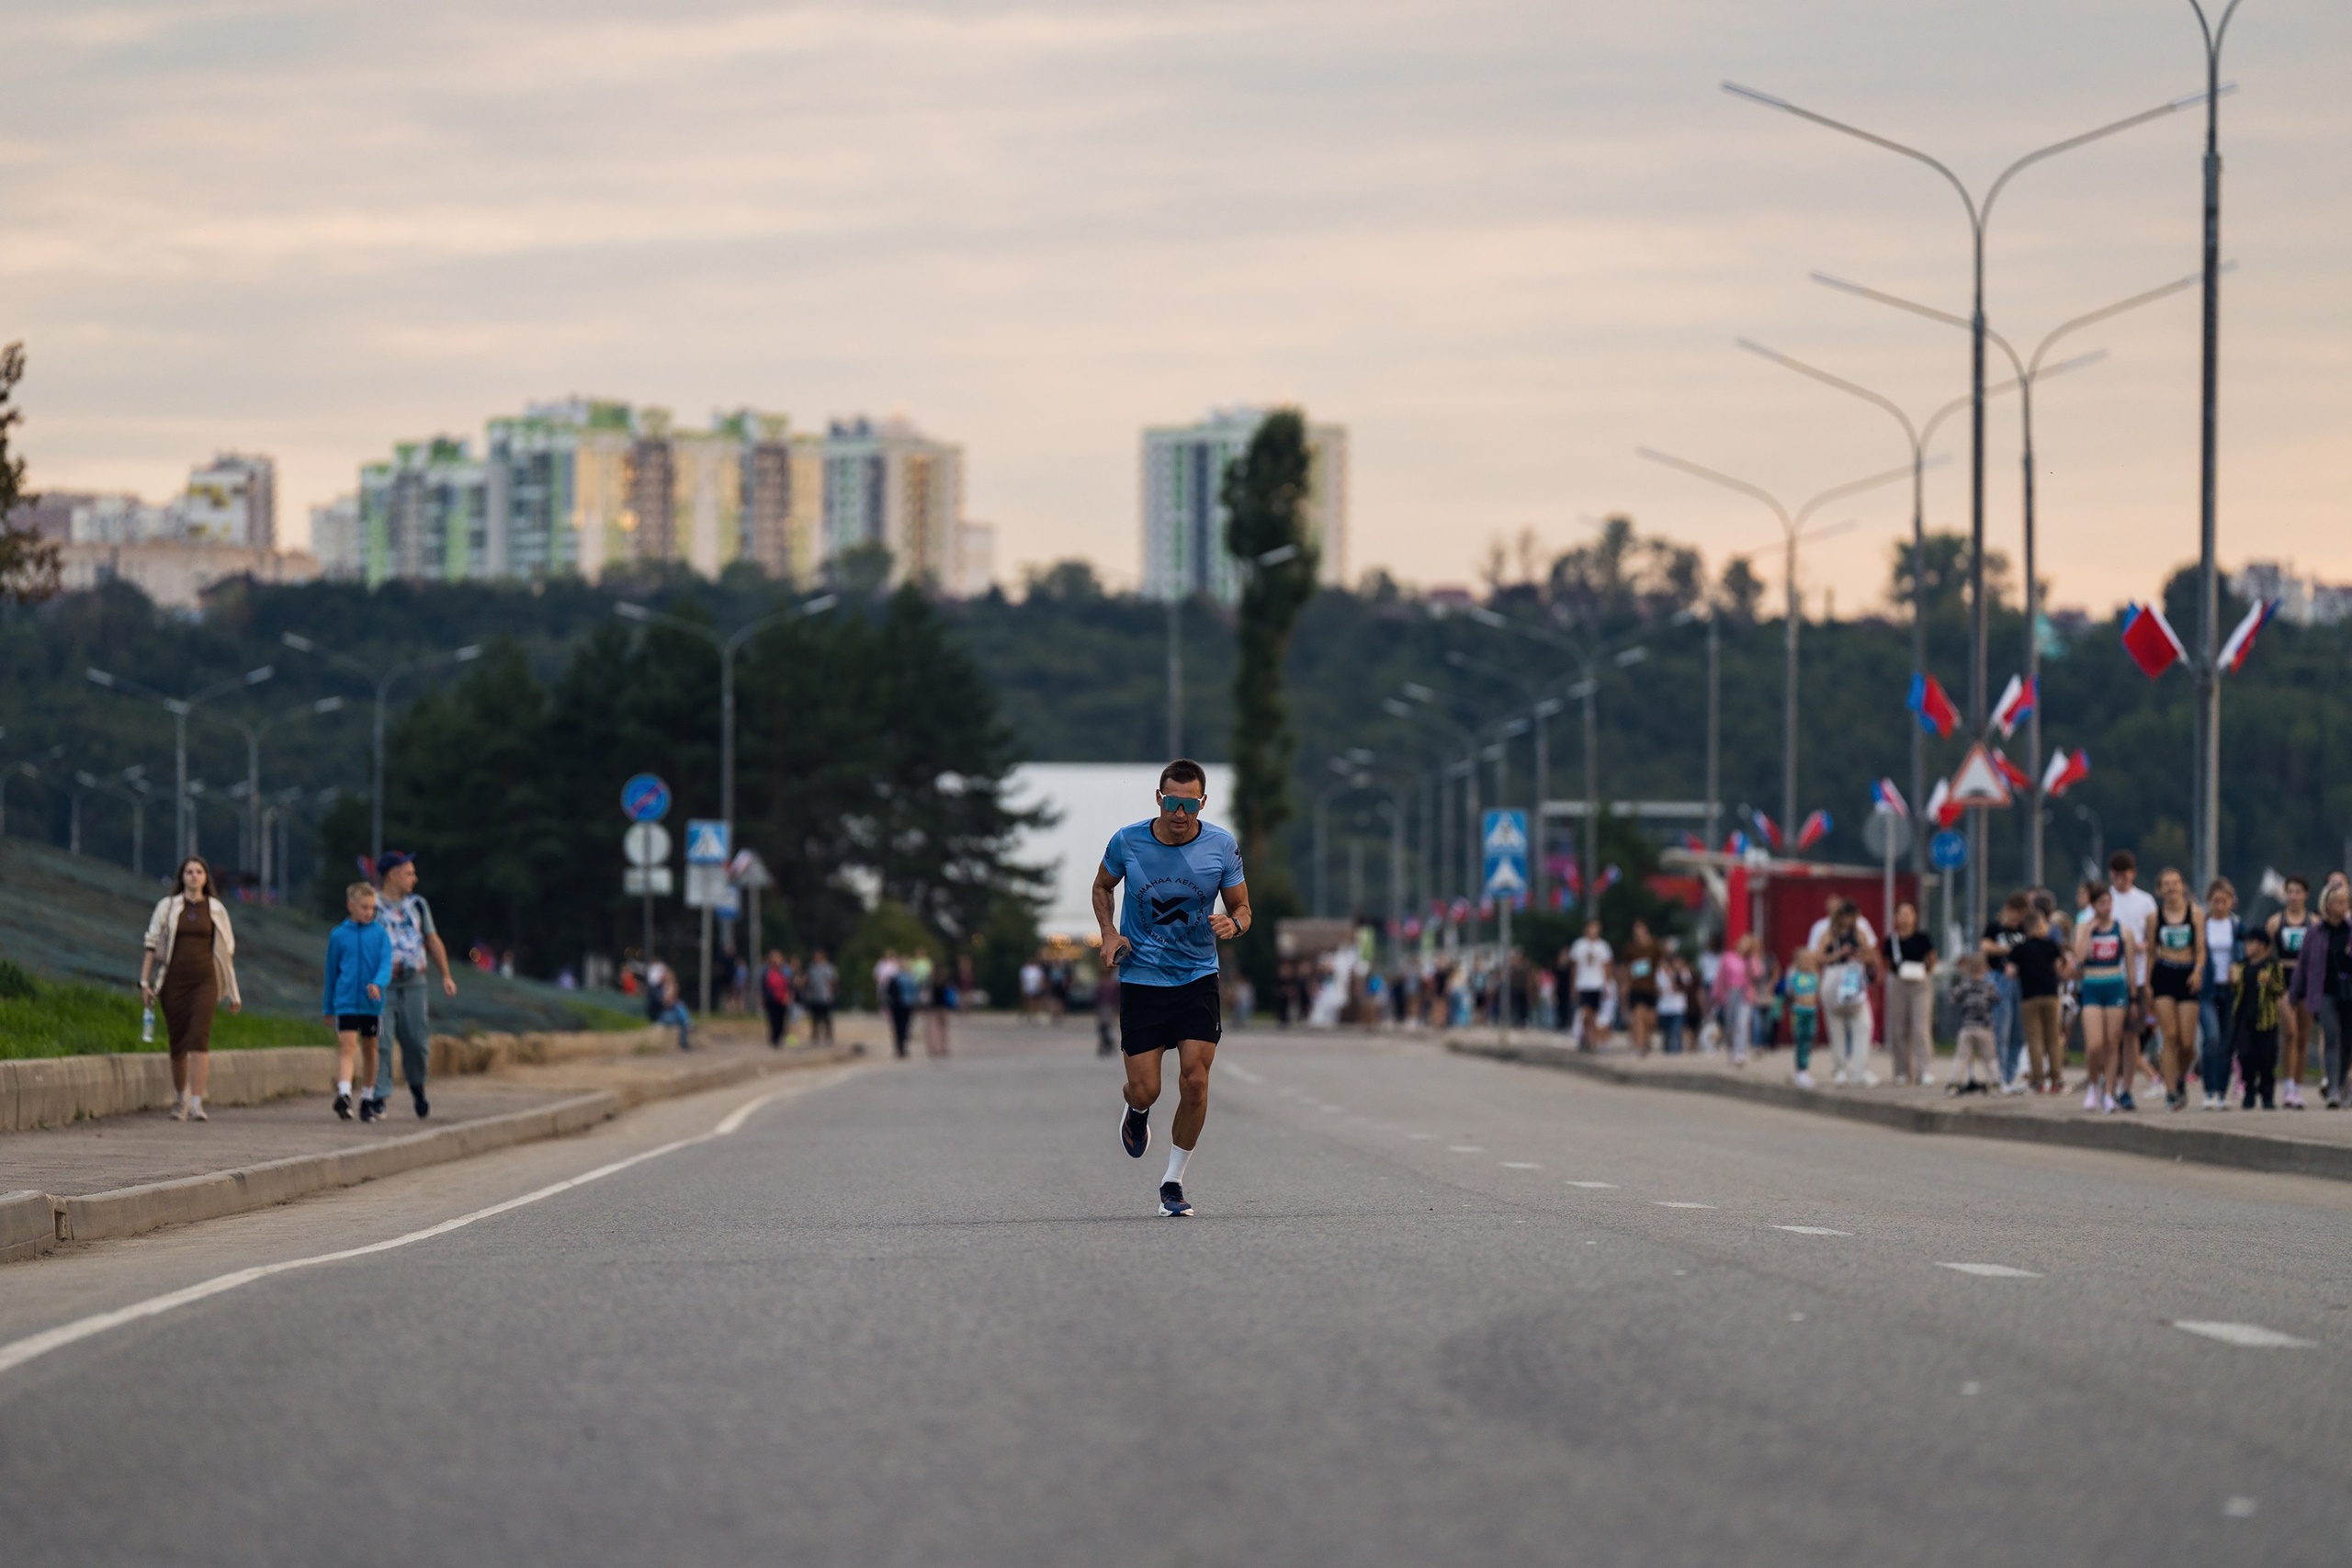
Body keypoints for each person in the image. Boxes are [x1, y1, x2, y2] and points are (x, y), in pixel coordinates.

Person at [1099, 759, 1250, 1218]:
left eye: (1189, 804)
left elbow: (1243, 906)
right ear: (1159, 798)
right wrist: (1108, 933)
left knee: (1196, 1082)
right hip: (1142, 980)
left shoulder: (1221, 845)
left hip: (1197, 977)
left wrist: (1234, 924)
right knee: (1146, 1090)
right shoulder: (1127, 841)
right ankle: (1136, 1110)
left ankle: (1172, 1182)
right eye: (1171, 801)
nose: (1179, 813)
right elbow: (1102, 887)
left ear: (1202, 803)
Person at [140, 856, 243, 1122]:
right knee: (178, 1042)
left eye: (199, 872)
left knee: (199, 1037)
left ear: (206, 877)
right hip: (173, 982)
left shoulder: (216, 909)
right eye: (189, 872)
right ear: (181, 877)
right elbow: (151, 944)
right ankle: (179, 1097)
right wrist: (144, 982)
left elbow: (226, 953)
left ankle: (197, 1103)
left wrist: (233, 992)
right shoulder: (168, 906)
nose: (194, 876)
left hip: (204, 981)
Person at [368, 852, 456, 1122]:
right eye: (409, 873)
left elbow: (432, 940)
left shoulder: (418, 905)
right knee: (381, 1041)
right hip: (381, 986)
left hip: (414, 984)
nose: (414, 879)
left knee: (416, 1041)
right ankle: (379, 1096)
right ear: (392, 874)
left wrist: (446, 975)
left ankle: (417, 1086)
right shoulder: (371, 904)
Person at [322, 880, 391, 1122]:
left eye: (372, 908)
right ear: (350, 905)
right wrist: (328, 1007)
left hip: (371, 1003)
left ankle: (368, 1096)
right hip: (346, 1000)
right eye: (364, 907)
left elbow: (385, 965)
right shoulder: (339, 935)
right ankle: (344, 1093)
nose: (369, 912)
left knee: (371, 1048)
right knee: (347, 1045)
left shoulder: (380, 934)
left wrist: (377, 984)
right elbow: (331, 972)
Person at [2073, 881, 2140, 1113]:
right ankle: (2094, 1084)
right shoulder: (2084, 927)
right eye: (2101, 903)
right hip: (2092, 985)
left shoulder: (2123, 931)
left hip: (2115, 986)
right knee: (2094, 1044)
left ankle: (2110, 1092)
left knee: (2113, 1043)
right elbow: (2079, 958)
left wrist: (2132, 997)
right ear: (2093, 906)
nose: (2107, 907)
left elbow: (2130, 966)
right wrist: (2089, 933)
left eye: (2109, 902)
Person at [2145, 867, 2204, 1112]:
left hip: (2187, 973)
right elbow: (2150, 952)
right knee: (2169, 1036)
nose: (2171, 888)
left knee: (2188, 1043)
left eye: (2175, 883)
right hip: (2164, 974)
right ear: (2160, 890)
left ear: (2182, 886)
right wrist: (2147, 984)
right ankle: (2170, 1091)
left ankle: (2180, 1076)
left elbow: (2201, 948)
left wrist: (2198, 971)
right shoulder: (2154, 917)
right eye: (2166, 884)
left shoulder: (2196, 913)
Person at [2289, 881, 2352, 1108]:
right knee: (2332, 1038)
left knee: (2347, 1043)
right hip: (2325, 992)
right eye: (2338, 902)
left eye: (2346, 902)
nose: (2343, 906)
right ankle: (2333, 1089)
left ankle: (2344, 1084)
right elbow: (2303, 965)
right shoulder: (2315, 932)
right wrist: (2294, 995)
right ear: (2327, 904)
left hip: (2349, 994)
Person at [2105, 851, 2161, 1105]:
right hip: (2108, 973)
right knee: (2109, 1036)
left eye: (2125, 875)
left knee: (2131, 1036)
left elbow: (2154, 940)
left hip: (2136, 976)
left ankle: (2126, 1088)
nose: (2121, 881)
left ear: (2133, 874)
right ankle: (2108, 1085)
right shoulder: (2105, 900)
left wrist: (2144, 949)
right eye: (2117, 876)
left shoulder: (2146, 902)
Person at [1815, 901, 1878, 1086]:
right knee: (1836, 1029)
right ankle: (1840, 1069)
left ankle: (1860, 1069)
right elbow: (1818, 957)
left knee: (1864, 1025)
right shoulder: (1828, 935)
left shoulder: (1860, 934)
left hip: (1854, 980)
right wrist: (1838, 954)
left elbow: (1870, 957)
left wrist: (1861, 956)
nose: (1848, 920)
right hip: (1834, 981)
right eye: (1845, 916)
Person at [2267, 875, 2316, 1108]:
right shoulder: (2276, 922)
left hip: (2307, 980)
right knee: (2290, 1033)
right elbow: (2267, 955)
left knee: (2304, 1037)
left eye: (2298, 892)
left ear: (2305, 895)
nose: (2294, 896)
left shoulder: (2314, 923)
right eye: (2290, 892)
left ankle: (2298, 1086)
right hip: (2285, 978)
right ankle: (2287, 1084)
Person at [2197, 877, 2245, 1111]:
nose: (2219, 905)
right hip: (2208, 990)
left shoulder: (2236, 926)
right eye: (2215, 901)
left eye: (2224, 901)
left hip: (2230, 988)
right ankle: (2208, 1089)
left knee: (2227, 1043)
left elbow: (2245, 951)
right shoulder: (2202, 926)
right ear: (2209, 902)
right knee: (2212, 1038)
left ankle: (2221, 1092)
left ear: (2230, 902)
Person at [2010, 908, 2069, 1094]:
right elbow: (2060, 966)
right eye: (2044, 924)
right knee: (2053, 1038)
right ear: (2038, 926)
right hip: (2051, 995)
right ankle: (2056, 1079)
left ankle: (2038, 1081)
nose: (2047, 928)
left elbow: (2010, 971)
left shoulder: (2019, 949)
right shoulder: (2051, 945)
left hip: (2029, 997)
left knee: (2035, 1040)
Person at [1881, 901, 1937, 1087]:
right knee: (1899, 1028)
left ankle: (1925, 1070)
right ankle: (1902, 1071)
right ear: (1895, 917)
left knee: (1921, 1028)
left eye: (1909, 913)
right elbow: (1887, 963)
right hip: (1898, 982)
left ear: (1915, 917)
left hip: (1920, 984)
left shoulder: (1922, 937)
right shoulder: (1891, 940)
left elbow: (1932, 958)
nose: (1905, 917)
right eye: (1901, 914)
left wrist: (1926, 972)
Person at [2230, 926, 2286, 1111]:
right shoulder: (2242, 967)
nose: (2247, 947)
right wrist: (2233, 981)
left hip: (2266, 1020)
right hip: (2245, 1018)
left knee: (2266, 1058)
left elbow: (2280, 990)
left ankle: (2267, 1094)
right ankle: (2249, 1090)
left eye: (2251, 943)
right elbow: (2235, 991)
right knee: (2246, 1055)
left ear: (2262, 946)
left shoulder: (2272, 966)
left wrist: (2269, 983)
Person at [1980, 892, 2029, 1091]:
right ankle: (1998, 1074)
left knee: (2018, 1032)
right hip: (2000, 979)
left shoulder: (2024, 928)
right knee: (2001, 1029)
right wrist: (2009, 950)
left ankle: (2010, 1075)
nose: (2018, 920)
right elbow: (1986, 946)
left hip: (2021, 981)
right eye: (2016, 915)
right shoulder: (1995, 927)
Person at [1949, 953, 2001, 1094]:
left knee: (1961, 1057)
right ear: (1985, 969)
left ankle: (1954, 1083)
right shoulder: (1988, 987)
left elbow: (1953, 999)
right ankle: (1995, 1083)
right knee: (1989, 1058)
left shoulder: (1965, 986)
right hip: (1984, 1027)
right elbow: (1997, 999)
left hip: (1967, 1027)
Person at [1566, 919, 1611, 1050]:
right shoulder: (1579, 945)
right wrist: (1573, 985)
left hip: (1597, 984)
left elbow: (1606, 967)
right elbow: (1574, 967)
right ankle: (1584, 1035)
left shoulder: (1603, 946)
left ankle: (1591, 1038)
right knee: (1585, 1012)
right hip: (1583, 983)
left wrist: (1607, 985)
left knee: (1594, 1013)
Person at [1620, 919, 1661, 1055]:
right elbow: (1626, 968)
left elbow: (1661, 965)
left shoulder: (1655, 947)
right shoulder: (1631, 949)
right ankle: (1640, 1045)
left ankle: (1646, 1040)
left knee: (1650, 1019)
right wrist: (1625, 984)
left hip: (1650, 987)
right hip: (1636, 986)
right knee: (1638, 1015)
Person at [1715, 932, 1757, 1066]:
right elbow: (1720, 978)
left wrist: (1751, 958)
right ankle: (1731, 1050)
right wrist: (1719, 995)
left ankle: (1740, 1052)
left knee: (1742, 1023)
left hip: (1745, 993)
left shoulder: (1750, 959)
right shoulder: (1728, 958)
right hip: (1730, 993)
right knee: (1730, 1024)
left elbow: (1757, 973)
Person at [1784, 949, 1822, 1089]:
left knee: (1809, 1038)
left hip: (1811, 1011)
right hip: (1799, 1012)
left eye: (1809, 960)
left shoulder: (1815, 976)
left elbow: (1817, 993)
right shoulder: (1795, 976)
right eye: (1803, 960)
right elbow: (1790, 992)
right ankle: (1800, 1070)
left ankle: (1805, 1068)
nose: (1806, 963)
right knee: (1800, 1040)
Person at [1655, 946, 1691, 1054]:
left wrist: (1678, 972)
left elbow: (1687, 985)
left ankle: (1676, 1052)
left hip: (1678, 1007)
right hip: (1664, 1007)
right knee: (1666, 1032)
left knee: (1676, 1031)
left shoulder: (1683, 972)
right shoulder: (1659, 973)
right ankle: (1667, 1051)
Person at [760, 949, 794, 1047]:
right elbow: (763, 985)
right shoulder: (766, 971)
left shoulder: (786, 971)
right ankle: (774, 1038)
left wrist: (789, 995)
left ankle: (779, 1036)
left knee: (781, 1019)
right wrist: (762, 997)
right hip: (771, 998)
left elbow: (790, 985)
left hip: (782, 998)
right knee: (772, 1019)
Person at [803, 950, 838, 1044]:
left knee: (827, 1018)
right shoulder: (811, 968)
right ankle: (815, 1036)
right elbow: (807, 980)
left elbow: (832, 981)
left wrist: (831, 993)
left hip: (825, 996)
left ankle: (828, 1036)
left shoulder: (828, 968)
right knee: (815, 1018)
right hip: (814, 997)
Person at [1094, 958, 1121, 1057]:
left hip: (1104, 1007)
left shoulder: (1101, 984)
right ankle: (1108, 1047)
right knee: (1107, 1028)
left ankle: (1105, 1047)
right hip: (1110, 1007)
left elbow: (1096, 997)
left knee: (1104, 1028)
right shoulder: (1114, 984)